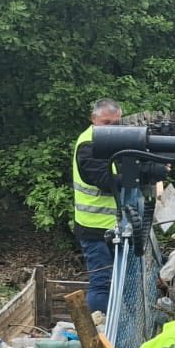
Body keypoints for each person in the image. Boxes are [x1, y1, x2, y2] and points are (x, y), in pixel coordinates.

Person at [72, 98, 123, 317]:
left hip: (113, 226)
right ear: (93, 119)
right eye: (106, 122)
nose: (111, 128)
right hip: (94, 228)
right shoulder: (88, 144)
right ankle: (99, 330)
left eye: (116, 123)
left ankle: (113, 327)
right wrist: (143, 176)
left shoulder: (112, 141)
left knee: (118, 282)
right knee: (101, 283)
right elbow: (103, 179)